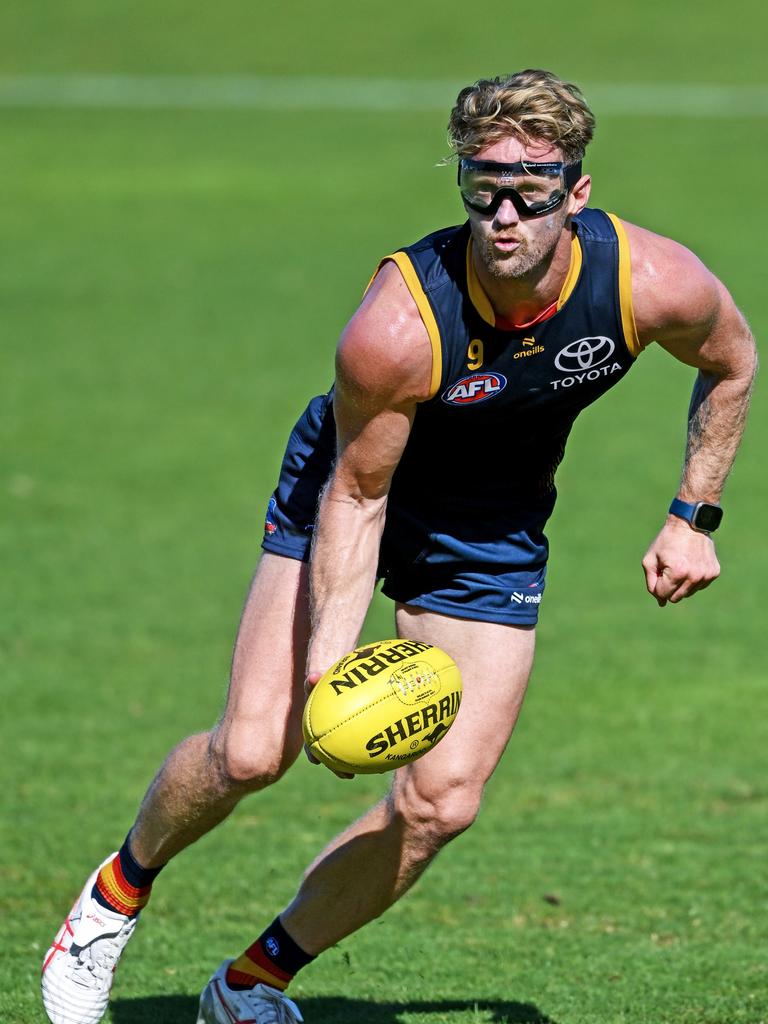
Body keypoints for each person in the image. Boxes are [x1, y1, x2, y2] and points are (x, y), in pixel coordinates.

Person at [41, 69, 756, 1024]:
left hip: (489, 520)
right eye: (481, 187)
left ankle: (251, 982)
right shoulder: (398, 326)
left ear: (577, 193)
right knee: (256, 750)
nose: (503, 215)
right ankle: (115, 894)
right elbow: (359, 494)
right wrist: (331, 670)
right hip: (351, 484)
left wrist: (690, 515)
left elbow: (732, 359)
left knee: (441, 804)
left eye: (531, 191)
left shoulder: (648, 282)